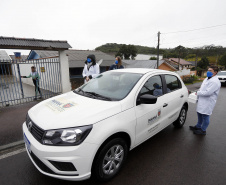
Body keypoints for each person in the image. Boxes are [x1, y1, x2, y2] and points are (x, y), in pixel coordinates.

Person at [189, 66, 221, 135]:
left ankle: (203, 130)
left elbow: (208, 93)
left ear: (215, 72)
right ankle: (198, 126)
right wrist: (196, 91)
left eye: (210, 70)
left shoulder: (215, 82)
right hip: (202, 100)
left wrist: (197, 93)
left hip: (208, 101)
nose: (208, 72)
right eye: (208, 70)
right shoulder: (207, 78)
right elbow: (202, 88)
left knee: (205, 116)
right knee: (199, 113)